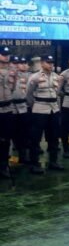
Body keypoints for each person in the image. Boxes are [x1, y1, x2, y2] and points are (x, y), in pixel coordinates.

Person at [26, 55, 62, 173]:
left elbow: (57, 93)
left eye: (52, 62)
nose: (51, 64)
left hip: (54, 109)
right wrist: (35, 106)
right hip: (40, 109)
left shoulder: (56, 76)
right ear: (42, 63)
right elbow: (29, 94)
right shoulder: (35, 77)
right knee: (35, 138)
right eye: (48, 62)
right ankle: (34, 164)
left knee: (54, 137)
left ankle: (53, 162)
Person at [0, 47, 15, 178]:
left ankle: (3, 166)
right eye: (3, 54)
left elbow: (13, 88)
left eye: (7, 54)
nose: (6, 56)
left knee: (6, 139)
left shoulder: (12, 70)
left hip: (7, 109)